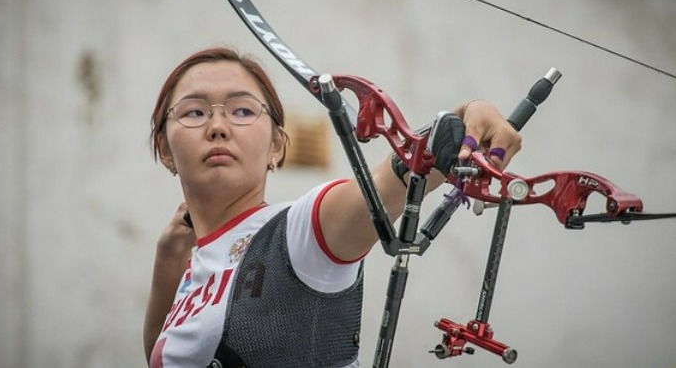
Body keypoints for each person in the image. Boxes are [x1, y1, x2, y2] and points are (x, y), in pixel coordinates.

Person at [143, 46, 522, 368]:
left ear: (276, 145)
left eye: (242, 111)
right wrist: (168, 256)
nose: (218, 126)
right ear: (164, 149)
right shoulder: (193, 264)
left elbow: (395, 177)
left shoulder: (300, 232)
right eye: (194, 112)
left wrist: (465, 117)